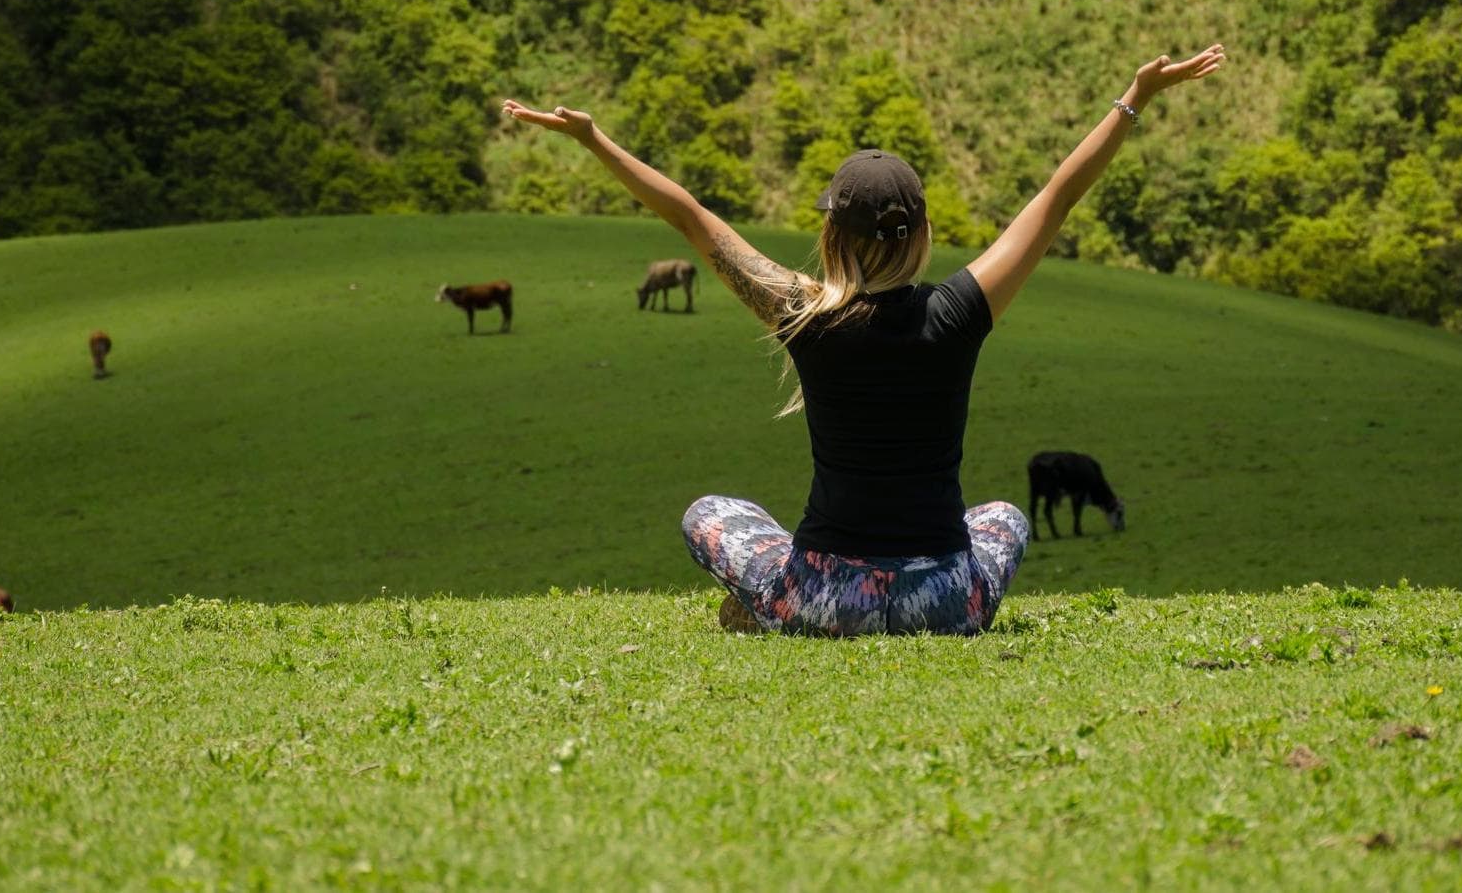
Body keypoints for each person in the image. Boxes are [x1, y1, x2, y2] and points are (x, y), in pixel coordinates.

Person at [501, 42, 1224, 636]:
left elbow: (691, 217)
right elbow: (1056, 196)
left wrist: (593, 138)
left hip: (821, 597)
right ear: (922, 232)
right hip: (941, 604)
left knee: (711, 513)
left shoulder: (803, 314)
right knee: (1002, 517)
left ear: (830, 233)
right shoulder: (958, 311)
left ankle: (768, 610)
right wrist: (1133, 98)